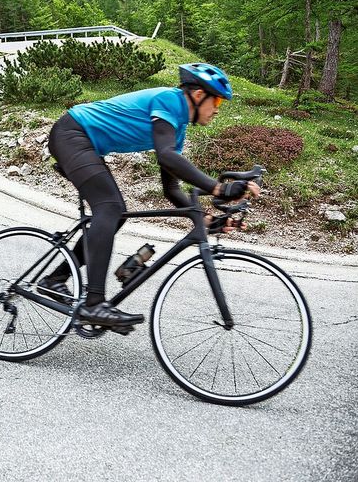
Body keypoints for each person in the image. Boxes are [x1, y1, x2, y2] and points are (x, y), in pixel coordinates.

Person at [40, 63, 260, 331]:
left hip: (85, 143)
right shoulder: (169, 100)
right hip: (72, 134)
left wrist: (204, 218)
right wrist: (219, 188)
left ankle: (56, 278)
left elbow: (171, 189)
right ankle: (94, 303)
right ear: (199, 95)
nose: (217, 110)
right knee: (109, 208)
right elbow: (166, 156)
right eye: (217, 102)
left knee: (114, 214)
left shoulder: (176, 128)